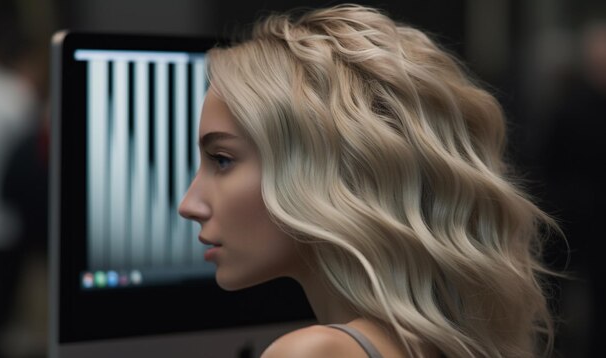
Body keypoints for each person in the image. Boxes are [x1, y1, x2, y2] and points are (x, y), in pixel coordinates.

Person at [178, 4, 561, 357]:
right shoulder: (444, 341)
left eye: (222, 160)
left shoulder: (314, 352)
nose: (189, 204)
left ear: (328, 170)